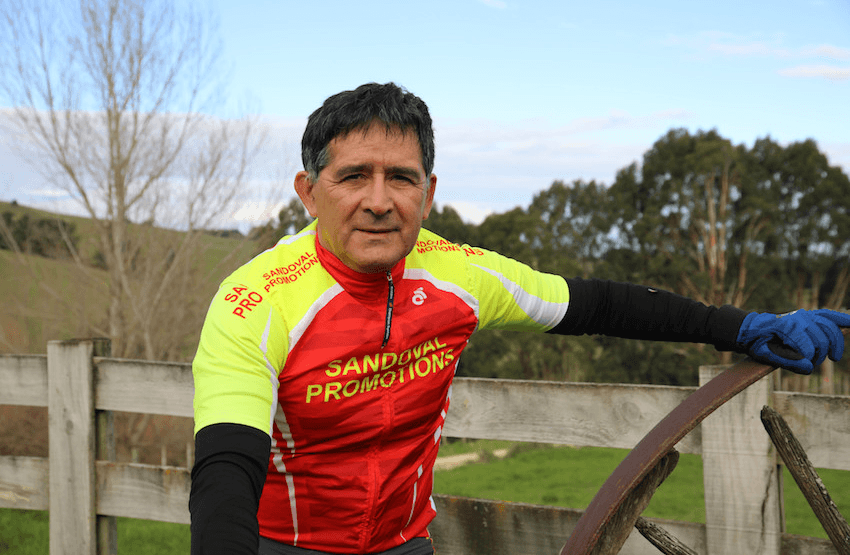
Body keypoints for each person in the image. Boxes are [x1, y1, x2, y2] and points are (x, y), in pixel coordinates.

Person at [189, 82, 850, 555]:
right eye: (354, 176)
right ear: (308, 192)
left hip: (405, 543)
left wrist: (742, 326)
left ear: (429, 192)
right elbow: (226, 466)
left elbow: (599, 304)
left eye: (402, 178)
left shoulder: (460, 274)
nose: (380, 201)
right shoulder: (256, 301)